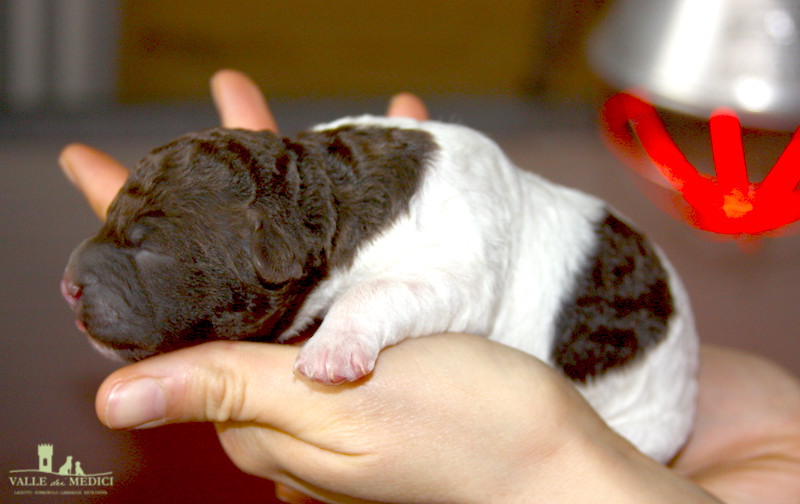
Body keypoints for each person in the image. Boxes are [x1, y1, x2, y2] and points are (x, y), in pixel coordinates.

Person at [59, 69, 800, 504]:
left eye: (150, 252)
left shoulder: (443, 211)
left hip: (636, 423)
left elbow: (457, 287)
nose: (74, 280)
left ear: (279, 256)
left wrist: (560, 470)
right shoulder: (324, 186)